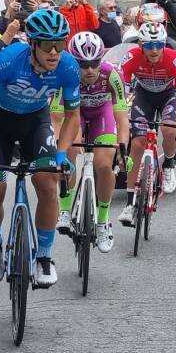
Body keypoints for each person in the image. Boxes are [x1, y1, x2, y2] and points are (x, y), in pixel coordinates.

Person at [0, 9, 81, 288]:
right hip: (0, 122)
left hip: (36, 121)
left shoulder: (68, 67)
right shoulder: (9, 60)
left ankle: (44, 256)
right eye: (47, 44)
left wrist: (61, 152)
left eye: (61, 43)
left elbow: (72, 115)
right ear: (32, 44)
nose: (55, 51)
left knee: (48, 183)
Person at [53, 32, 129, 254]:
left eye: (94, 63)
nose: (90, 70)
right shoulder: (64, 74)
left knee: (105, 165)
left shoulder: (111, 75)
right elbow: (57, 118)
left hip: (101, 115)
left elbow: (122, 117)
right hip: (73, 114)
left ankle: (103, 220)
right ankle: (65, 210)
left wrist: (122, 148)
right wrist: (60, 146)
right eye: (83, 65)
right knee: (70, 151)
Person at [118, 22, 176, 217]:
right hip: (144, 96)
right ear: (141, 45)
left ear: (164, 44)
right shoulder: (130, 57)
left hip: (169, 96)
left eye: (159, 44)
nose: (154, 49)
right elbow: (120, 99)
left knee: (169, 130)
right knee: (137, 144)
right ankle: (130, 202)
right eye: (149, 45)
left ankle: (168, 163)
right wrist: (121, 127)